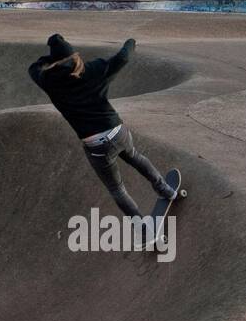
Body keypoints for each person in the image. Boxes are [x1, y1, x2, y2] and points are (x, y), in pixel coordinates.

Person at [28, 33, 178, 219]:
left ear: (54, 62)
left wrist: (53, 57)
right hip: (117, 132)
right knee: (136, 157)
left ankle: (140, 225)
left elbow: (33, 67)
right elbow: (123, 57)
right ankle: (167, 191)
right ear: (75, 56)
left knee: (117, 189)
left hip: (96, 146)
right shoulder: (94, 69)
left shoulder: (48, 81)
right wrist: (131, 42)